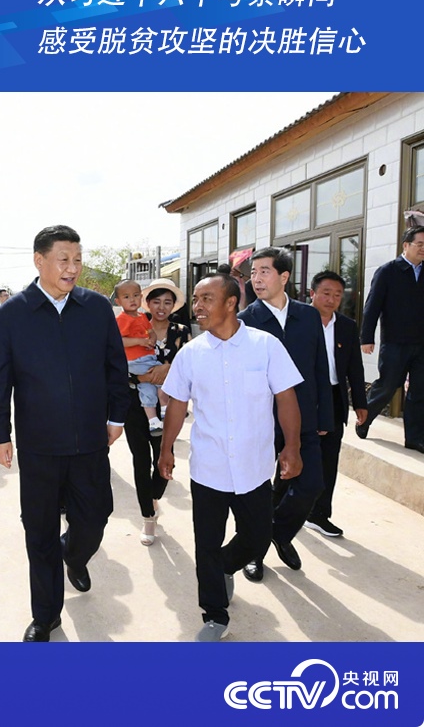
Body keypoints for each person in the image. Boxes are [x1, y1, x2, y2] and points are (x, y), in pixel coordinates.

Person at [0, 225, 129, 642]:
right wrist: (0, 432)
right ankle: (46, 615)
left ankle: (75, 555)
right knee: (40, 531)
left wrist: (117, 416)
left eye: (77, 260)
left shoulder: (96, 308)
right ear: (40, 260)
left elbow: (115, 366)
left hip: (90, 440)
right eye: (64, 259)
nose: (72, 268)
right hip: (39, 446)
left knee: (96, 516)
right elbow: (0, 377)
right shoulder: (13, 314)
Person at [159, 273, 302, 641]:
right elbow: (177, 404)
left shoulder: (265, 346)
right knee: (206, 542)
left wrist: (292, 447)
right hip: (209, 467)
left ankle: (223, 565)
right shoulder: (191, 354)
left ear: (231, 302)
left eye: (206, 299)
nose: (197, 306)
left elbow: (286, 398)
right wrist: (166, 448)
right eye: (195, 299)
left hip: (254, 467)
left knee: (258, 537)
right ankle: (214, 615)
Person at [238, 247, 333, 581]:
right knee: (255, 491)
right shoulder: (246, 320)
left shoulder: (308, 316)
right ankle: (252, 551)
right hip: (260, 419)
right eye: (253, 272)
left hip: (303, 417)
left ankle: (278, 533)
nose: (256, 278)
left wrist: (324, 417)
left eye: (264, 271)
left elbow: (320, 368)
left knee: (311, 484)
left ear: (284, 276)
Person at [124, 278, 190, 545]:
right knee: (140, 460)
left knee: (165, 458)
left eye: (167, 302)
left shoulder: (182, 331)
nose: (161, 307)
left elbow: (189, 367)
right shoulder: (136, 327)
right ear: (147, 303)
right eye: (156, 302)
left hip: (169, 406)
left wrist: (168, 369)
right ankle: (148, 517)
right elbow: (117, 364)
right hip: (134, 405)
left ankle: (153, 497)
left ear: (174, 306)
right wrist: (140, 378)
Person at [306, 271, 368, 537]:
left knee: (329, 458)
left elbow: (355, 367)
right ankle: (280, 510)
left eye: (338, 295)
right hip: (302, 396)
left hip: (333, 398)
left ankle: (319, 514)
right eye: (326, 293)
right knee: (293, 453)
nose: (331, 299)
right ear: (312, 293)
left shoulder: (346, 326)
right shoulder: (298, 321)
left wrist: (361, 403)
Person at [357, 226, 424, 453]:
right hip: (395, 342)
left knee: (419, 390)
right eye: (420, 244)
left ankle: (415, 438)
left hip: (421, 343)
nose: (423, 249)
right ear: (406, 245)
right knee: (388, 386)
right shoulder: (388, 271)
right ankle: (364, 418)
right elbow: (372, 306)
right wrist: (366, 337)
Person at [115, 279, 167, 436]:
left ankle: (153, 422)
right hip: (136, 361)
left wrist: (152, 338)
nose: (132, 299)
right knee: (162, 379)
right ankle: (165, 410)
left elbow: (150, 331)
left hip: (145, 358)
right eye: (126, 297)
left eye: (136, 295)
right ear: (118, 301)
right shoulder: (122, 319)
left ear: (141, 297)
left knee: (147, 389)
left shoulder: (142, 316)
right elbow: (119, 341)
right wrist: (140, 341)